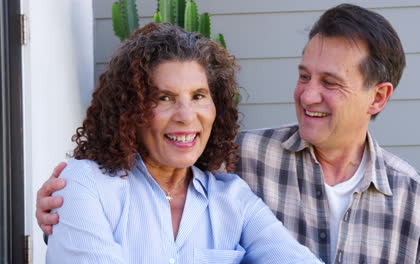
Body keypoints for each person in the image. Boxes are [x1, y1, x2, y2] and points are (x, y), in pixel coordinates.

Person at [38, 4, 420, 264]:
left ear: (378, 97)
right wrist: (66, 207)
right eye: (304, 75)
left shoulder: (413, 197)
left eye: (330, 83)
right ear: (133, 104)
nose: (308, 94)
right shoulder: (243, 158)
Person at [44, 22, 322, 263]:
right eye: (164, 98)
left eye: (199, 96)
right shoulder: (85, 185)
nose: (187, 117)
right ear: (130, 110)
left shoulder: (233, 200)